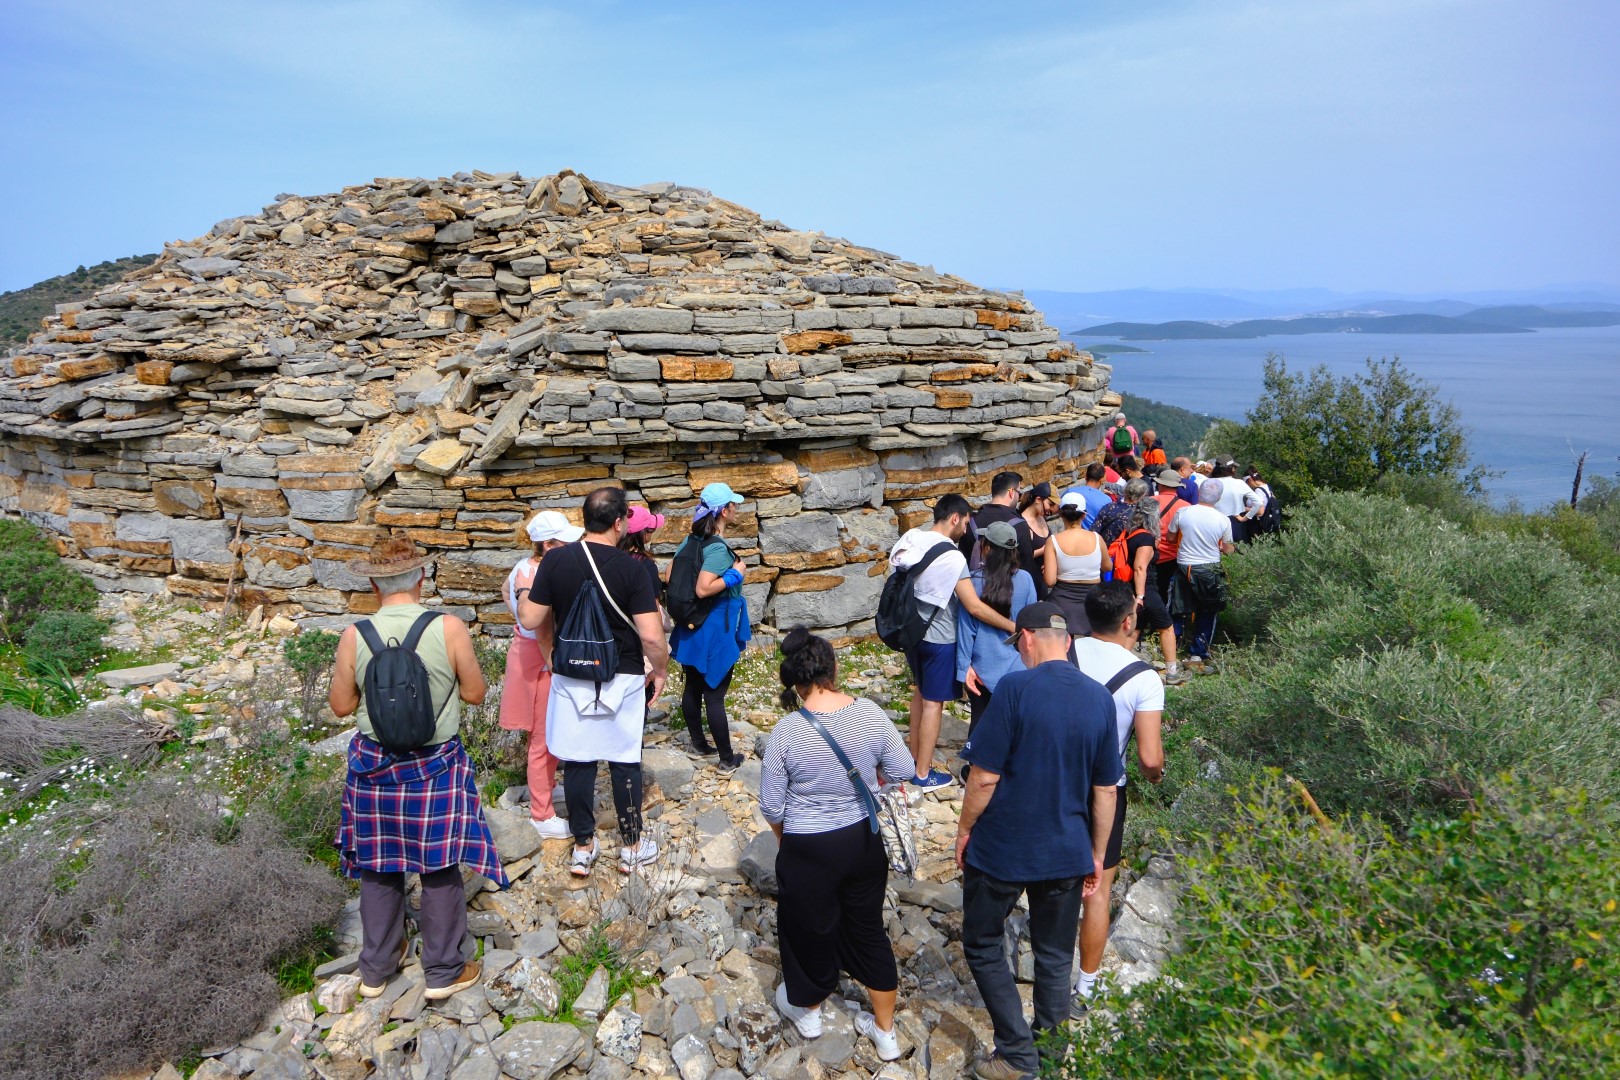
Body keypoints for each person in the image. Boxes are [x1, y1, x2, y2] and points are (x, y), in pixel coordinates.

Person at [330, 537, 504, 1002]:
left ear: (373, 583)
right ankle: (444, 971)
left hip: (373, 770)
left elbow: (341, 705)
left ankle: (376, 970)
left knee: (377, 868)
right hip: (434, 767)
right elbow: (475, 693)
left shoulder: (355, 634)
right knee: (440, 867)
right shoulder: (448, 627)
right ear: (421, 578)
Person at [956, 603, 1121, 1080]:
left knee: (983, 941)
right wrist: (1096, 853)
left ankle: (1015, 1052)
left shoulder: (1013, 688)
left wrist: (964, 831)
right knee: (1053, 955)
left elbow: (984, 777)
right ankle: (1049, 1057)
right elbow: (1105, 789)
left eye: (1019, 645)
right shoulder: (1098, 698)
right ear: (1065, 640)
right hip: (1067, 850)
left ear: (1026, 638)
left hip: (1004, 848)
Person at [762, 628, 916, 1063]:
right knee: (867, 929)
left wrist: (785, 840)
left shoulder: (787, 731)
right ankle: (886, 1033)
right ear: (833, 669)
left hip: (808, 845)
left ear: (795, 681)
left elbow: (772, 804)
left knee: (807, 926)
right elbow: (903, 768)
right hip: (862, 839)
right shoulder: (868, 712)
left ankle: (808, 1009)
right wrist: (870, 783)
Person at [519, 487, 670, 877]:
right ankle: (632, 844)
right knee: (624, 760)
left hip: (571, 675)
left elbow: (532, 619)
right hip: (621, 675)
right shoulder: (632, 569)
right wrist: (661, 669)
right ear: (619, 523)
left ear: (584, 519)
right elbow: (652, 636)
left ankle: (584, 845)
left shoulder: (555, 562)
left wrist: (527, 600)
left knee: (578, 759)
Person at [1072, 582, 1166, 1013]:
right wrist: (1157, 775)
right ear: (1129, 621)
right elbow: (1149, 757)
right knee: (1097, 890)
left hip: (1051, 780)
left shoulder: (1063, 650)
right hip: (1104, 792)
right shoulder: (1143, 676)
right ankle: (1086, 985)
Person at [888, 494, 1016, 791]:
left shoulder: (911, 538)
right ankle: (922, 774)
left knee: (920, 694)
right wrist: (1012, 625)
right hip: (939, 638)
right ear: (955, 518)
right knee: (934, 703)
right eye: (967, 521)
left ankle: (912, 758)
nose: (967, 529)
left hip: (911, 632)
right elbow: (973, 606)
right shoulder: (953, 556)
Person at [500, 511, 584, 840]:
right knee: (544, 738)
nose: (571, 544)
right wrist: (553, 662)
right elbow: (540, 625)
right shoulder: (538, 573)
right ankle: (541, 813)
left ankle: (545, 788)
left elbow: (505, 588)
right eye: (564, 540)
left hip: (529, 652)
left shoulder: (523, 567)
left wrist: (518, 623)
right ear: (548, 545)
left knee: (545, 734)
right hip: (540, 658)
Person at [670, 483, 753, 770]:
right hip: (714, 624)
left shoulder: (689, 540)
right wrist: (735, 574)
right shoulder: (717, 548)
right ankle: (727, 759)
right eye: (733, 504)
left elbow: (670, 573)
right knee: (715, 693)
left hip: (693, 623)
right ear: (724, 511)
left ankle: (698, 742)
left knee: (693, 685)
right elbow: (704, 588)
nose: (736, 508)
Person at [956, 520, 1038, 736]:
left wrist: (964, 667)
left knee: (980, 726)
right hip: (1018, 668)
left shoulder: (973, 583)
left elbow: (966, 629)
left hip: (982, 669)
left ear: (988, 548)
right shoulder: (1026, 580)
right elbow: (1031, 628)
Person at [1116, 479, 1183, 685]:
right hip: (1145, 589)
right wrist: (1141, 596)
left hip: (1131, 588)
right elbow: (1140, 567)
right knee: (1166, 626)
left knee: (1134, 629)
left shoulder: (1131, 532)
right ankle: (1172, 672)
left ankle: (1116, 667)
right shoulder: (1145, 538)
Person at [1168, 482, 1235, 673]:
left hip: (1184, 565)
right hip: (1209, 568)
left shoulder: (1183, 512)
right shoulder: (1223, 520)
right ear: (1218, 498)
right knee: (1208, 610)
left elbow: (1171, 538)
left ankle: (1174, 644)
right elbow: (1228, 549)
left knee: (1178, 607)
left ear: (1198, 493)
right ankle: (1198, 652)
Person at [1044, 493, 1111, 638]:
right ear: (1084, 515)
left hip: (1063, 599)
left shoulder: (1053, 541)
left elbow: (1050, 581)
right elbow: (1108, 567)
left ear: (1061, 515)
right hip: (1092, 598)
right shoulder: (1096, 538)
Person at [963, 471, 1024, 567]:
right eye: (1019, 494)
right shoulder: (1020, 524)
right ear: (1011, 492)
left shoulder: (969, 523)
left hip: (974, 581)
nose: (1019, 498)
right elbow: (1027, 565)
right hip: (1007, 581)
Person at [1151, 468, 1192, 608]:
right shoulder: (1186, 507)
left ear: (1160, 485)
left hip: (1149, 554)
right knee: (1168, 592)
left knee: (1148, 591)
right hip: (1174, 557)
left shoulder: (1148, 502)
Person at [1014, 481, 1056, 600]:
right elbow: (1017, 557)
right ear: (1038, 499)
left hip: (1042, 584)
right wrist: (1044, 551)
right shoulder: (1022, 524)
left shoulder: (1042, 518)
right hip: (1028, 584)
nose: (1051, 509)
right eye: (1050, 504)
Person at [1209, 456, 1259, 544]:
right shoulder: (1239, 483)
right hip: (1236, 522)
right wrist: (1245, 518)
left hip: (1214, 522)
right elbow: (1258, 502)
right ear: (1231, 469)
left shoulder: (1209, 483)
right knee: (1238, 553)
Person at [1061, 463, 1113, 528]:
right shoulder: (1106, 500)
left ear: (1086, 476)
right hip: (1092, 536)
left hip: (1069, 534)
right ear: (1102, 480)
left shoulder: (1069, 492)